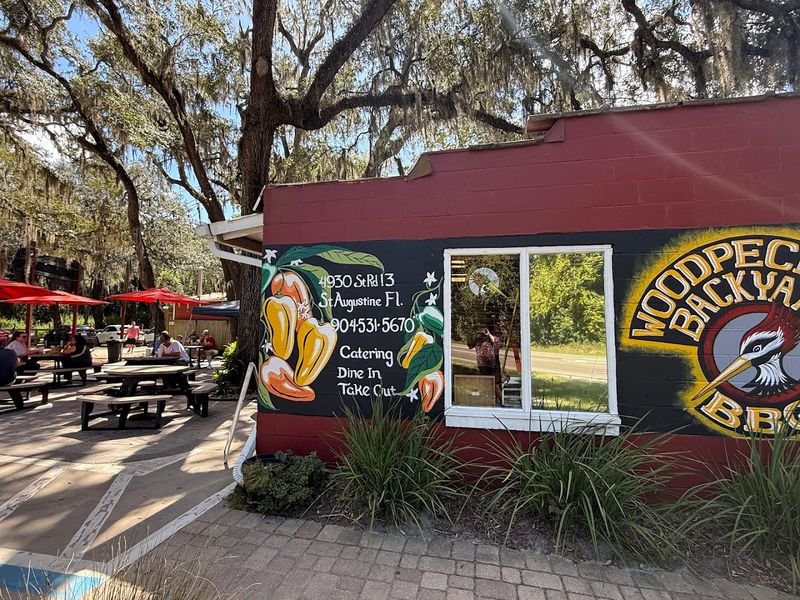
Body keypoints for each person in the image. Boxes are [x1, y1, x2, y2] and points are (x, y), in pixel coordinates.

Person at [468, 321, 503, 404]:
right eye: (481, 328)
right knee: (484, 386)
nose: (482, 330)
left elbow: (499, 344)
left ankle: (503, 403)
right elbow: (469, 344)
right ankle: (487, 404)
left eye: (484, 328)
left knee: (496, 387)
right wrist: (473, 332)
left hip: (493, 367)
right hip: (483, 367)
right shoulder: (477, 340)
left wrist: (489, 334)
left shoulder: (492, 340)